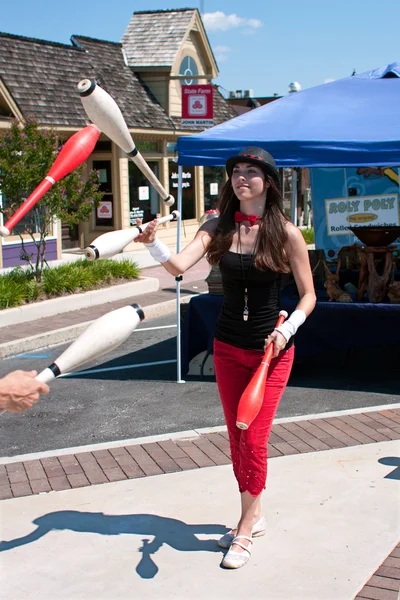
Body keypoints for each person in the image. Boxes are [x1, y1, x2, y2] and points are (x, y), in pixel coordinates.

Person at [135, 147, 316, 569]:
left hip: (271, 352)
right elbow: (179, 266)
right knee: (236, 440)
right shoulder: (218, 225)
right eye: (236, 172)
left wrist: (286, 329)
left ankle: (246, 528)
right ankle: (255, 513)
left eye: (251, 172)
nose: (242, 178)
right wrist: (154, 244)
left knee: (252, 437)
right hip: (228, 346)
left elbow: (309, 296)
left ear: (267, 181)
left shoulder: (286, 233)